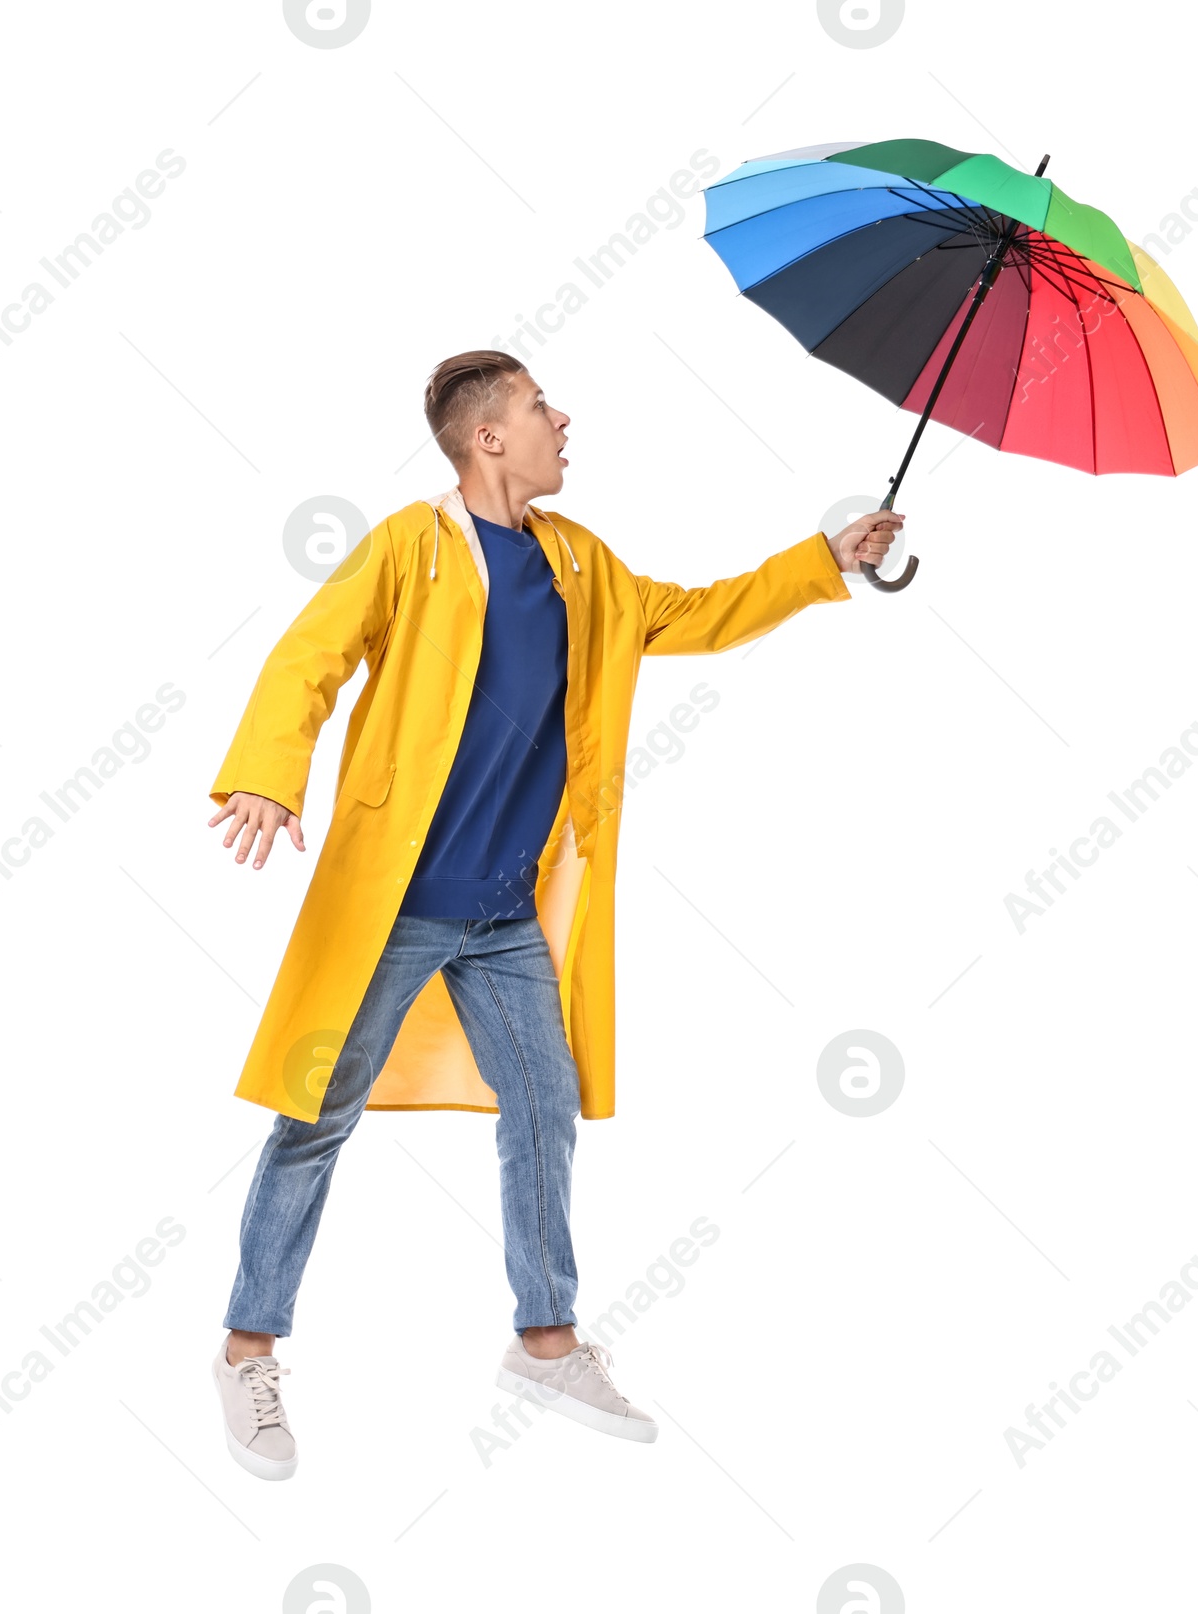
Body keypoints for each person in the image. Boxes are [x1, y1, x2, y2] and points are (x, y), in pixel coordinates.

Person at [206, 350, 903, 1480]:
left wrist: (825, 559)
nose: (561, 419)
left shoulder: (579, 562)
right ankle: (247, 1348)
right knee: (316, 1115)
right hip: (400, 906)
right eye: (539, 408)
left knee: (543, 1107)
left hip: (503, 914)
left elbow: (697, 615)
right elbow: (311, 657)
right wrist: (266, 773)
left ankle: (544, 1340)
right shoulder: (411, 548)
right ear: (487, 438)